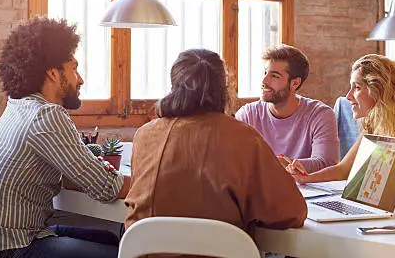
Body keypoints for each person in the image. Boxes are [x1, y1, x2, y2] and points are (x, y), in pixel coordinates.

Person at [0, 18, 127, 258]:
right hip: (13, 249)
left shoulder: (20, 106)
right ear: (53, 73)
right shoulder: (45, 115)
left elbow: (80, 175)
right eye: (73, 69)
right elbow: (107, 187)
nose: (80, 79)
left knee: (111, 239)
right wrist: (153, 182)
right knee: (120, 252)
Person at [125, 48, 307, 234]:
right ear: (223, 87)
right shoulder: (243, 137)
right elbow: (292, 212)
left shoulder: (144, 135)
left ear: (173, 84)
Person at [287, 54, 395, 193]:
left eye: (357, 88)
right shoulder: (372, 127)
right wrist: (306, 178)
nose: (348, 96)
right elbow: (343, 170)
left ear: (379, 91)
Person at [235, 44, 339, 173]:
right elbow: (236, 163)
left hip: (305, 191)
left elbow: (325, 163)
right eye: (265, 73)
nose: (264, 81)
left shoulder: (320, 115)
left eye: (274, 76)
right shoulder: (247, 115)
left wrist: (277, 163)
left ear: (295, 83)